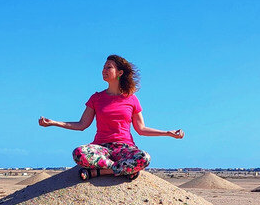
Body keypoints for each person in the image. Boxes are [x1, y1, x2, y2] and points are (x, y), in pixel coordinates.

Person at [38, 55, 184, 180]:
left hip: (124, 148)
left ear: (120, 72)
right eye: (103, 67)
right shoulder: (96, 98)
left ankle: (97, 172)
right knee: (79, 153)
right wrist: (54, 123)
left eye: (109, 67)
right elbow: (82, 124)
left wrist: (167, 133)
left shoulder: (131, 99)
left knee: (144, 158)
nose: (104, 70)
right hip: (101, 148)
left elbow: (141, 129)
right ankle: (123, 170)